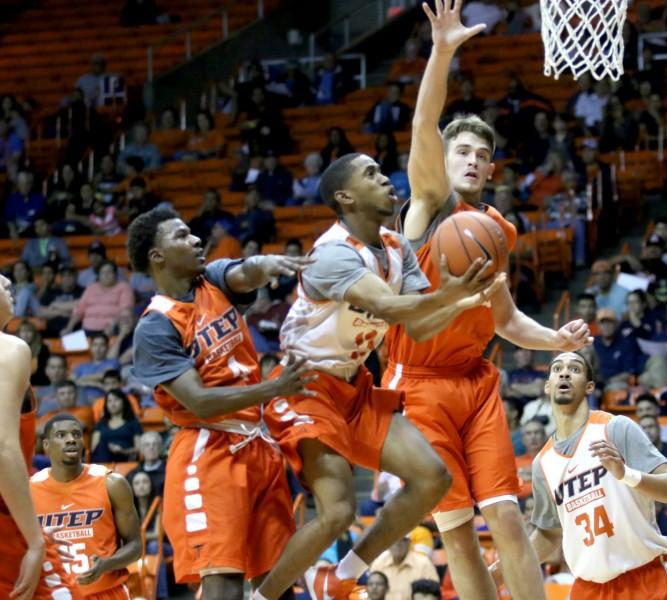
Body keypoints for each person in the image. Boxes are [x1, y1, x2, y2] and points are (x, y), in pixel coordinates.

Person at [384, 4, 593, 599]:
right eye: (462, 152)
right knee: (456, 531)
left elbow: (504, 321)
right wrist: (442, 51)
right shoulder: (427, 205)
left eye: (481, 154)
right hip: (416, 382)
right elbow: (426, 126)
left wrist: (555, 340)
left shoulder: (495, 229)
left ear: (492, 167)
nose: (472, 160)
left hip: (475, 381)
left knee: (505, 514)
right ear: (443, 163)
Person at [255, 153, 505, 599]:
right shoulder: (331, 255)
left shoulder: (395, 245)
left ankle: (339, 575)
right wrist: (447, 295)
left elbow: (419, 325)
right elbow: (388, 307)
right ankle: (262, 597)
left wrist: (458, 302)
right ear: (345, 197)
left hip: (353, 386)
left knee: (434, 477)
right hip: (305, 386)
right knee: (338, 512)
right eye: (371, 174)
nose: (387, 179)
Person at [128, 206, 312, 598]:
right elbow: (200, 402)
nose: (195, 239)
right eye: (180, 236)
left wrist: (268, 263)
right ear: (156, 257)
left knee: (278, 581)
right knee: (224, 584)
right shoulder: (155, 326)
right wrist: (272, 390)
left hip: (258, 447)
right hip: (209, 452)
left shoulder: (210, 279)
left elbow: (243, 272)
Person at [515, 352, 667, 599]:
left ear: (589, 387)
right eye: (557, 369)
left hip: (643, 578)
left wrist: (626, 474)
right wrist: (498, 572)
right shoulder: (542, 463)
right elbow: (549, 533)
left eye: (574, 369)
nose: (564, 372)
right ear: (547, 386)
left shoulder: (615, 428)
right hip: (588, 588)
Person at [0, 273, 80, 599]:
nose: (9, 284)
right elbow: (3, 446)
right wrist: (34, 539)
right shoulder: (10, 348)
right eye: (0, 281)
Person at [31, 413, 142, 599]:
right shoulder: (29, 491)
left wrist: (107, 563)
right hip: (54, 594)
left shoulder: (111, 483)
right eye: (61, 435)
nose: (71, 440)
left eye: (76, 434)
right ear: (46, 446)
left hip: (106, 592)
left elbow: (135, 546)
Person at [62, 261, 135, 337]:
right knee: (68, 342)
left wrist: (112, 324)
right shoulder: (91, 288)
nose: (106, 275)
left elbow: (126, 310)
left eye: (109, 272)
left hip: (111, 329)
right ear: (98, 275)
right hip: (87, 328)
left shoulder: (124, 287)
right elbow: (80, 309)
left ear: (115, 274)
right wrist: (69, 327)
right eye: (103, 272)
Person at [369, 535, 440, 600]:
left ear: (409, 542)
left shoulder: (423, 563)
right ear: (388, 543)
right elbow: (370, 594)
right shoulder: (378, 563)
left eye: (402, 540)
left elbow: (433, 594)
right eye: (394, 540)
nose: (398, 543)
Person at [90, 389, 142, 463]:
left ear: (124, 402)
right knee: (101, 447)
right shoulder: (100, 424)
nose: (112, 404)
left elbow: (139, 448)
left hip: (126, 457)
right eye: (109, 401)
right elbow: (94, 448)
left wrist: (124, 451)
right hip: (103, 457)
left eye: (116, 400)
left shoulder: (133, 423)